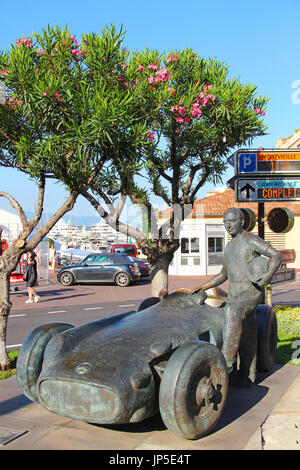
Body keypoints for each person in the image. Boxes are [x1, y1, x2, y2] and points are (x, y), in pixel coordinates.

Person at [195, 207, 282, 386]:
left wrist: (267, 276)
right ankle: (247, 376)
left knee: (232, 312)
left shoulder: (250, 240)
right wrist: (203, 286)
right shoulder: (229, 247)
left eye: (232, 221)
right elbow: (223, 274)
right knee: (248, 332)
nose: (228, 225)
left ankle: (225, 361)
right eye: (225, 222)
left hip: (249, 293)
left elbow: (276, 255)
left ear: (241, 221)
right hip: (235, 294)